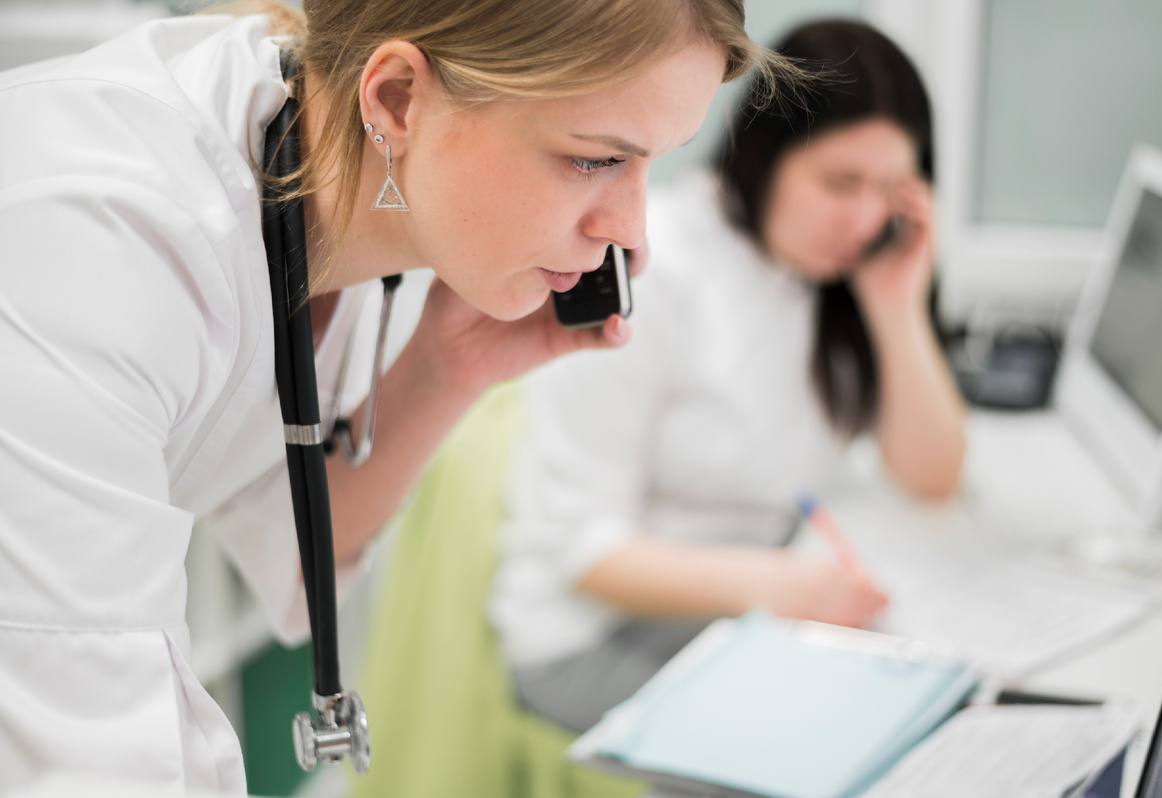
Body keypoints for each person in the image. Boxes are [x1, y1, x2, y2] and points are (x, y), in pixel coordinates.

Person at [0, 0, 787, 789]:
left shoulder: (375, 191)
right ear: (398, 98)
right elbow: (91, 756)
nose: (630, 231)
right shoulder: (92, 246)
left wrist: (443, 372)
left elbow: (296, 546)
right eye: (596, 160)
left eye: (653, 162)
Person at [489, 19, 968, 735]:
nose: (867, 219)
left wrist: (896, 307)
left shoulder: (832, 281)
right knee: (847, 731)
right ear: (767, 155)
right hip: (594, 636)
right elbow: (582, 550)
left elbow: (933, 477)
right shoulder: (657, 268)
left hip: (741, 602)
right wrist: (777, 585)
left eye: (891, 192)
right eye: (841, 183)